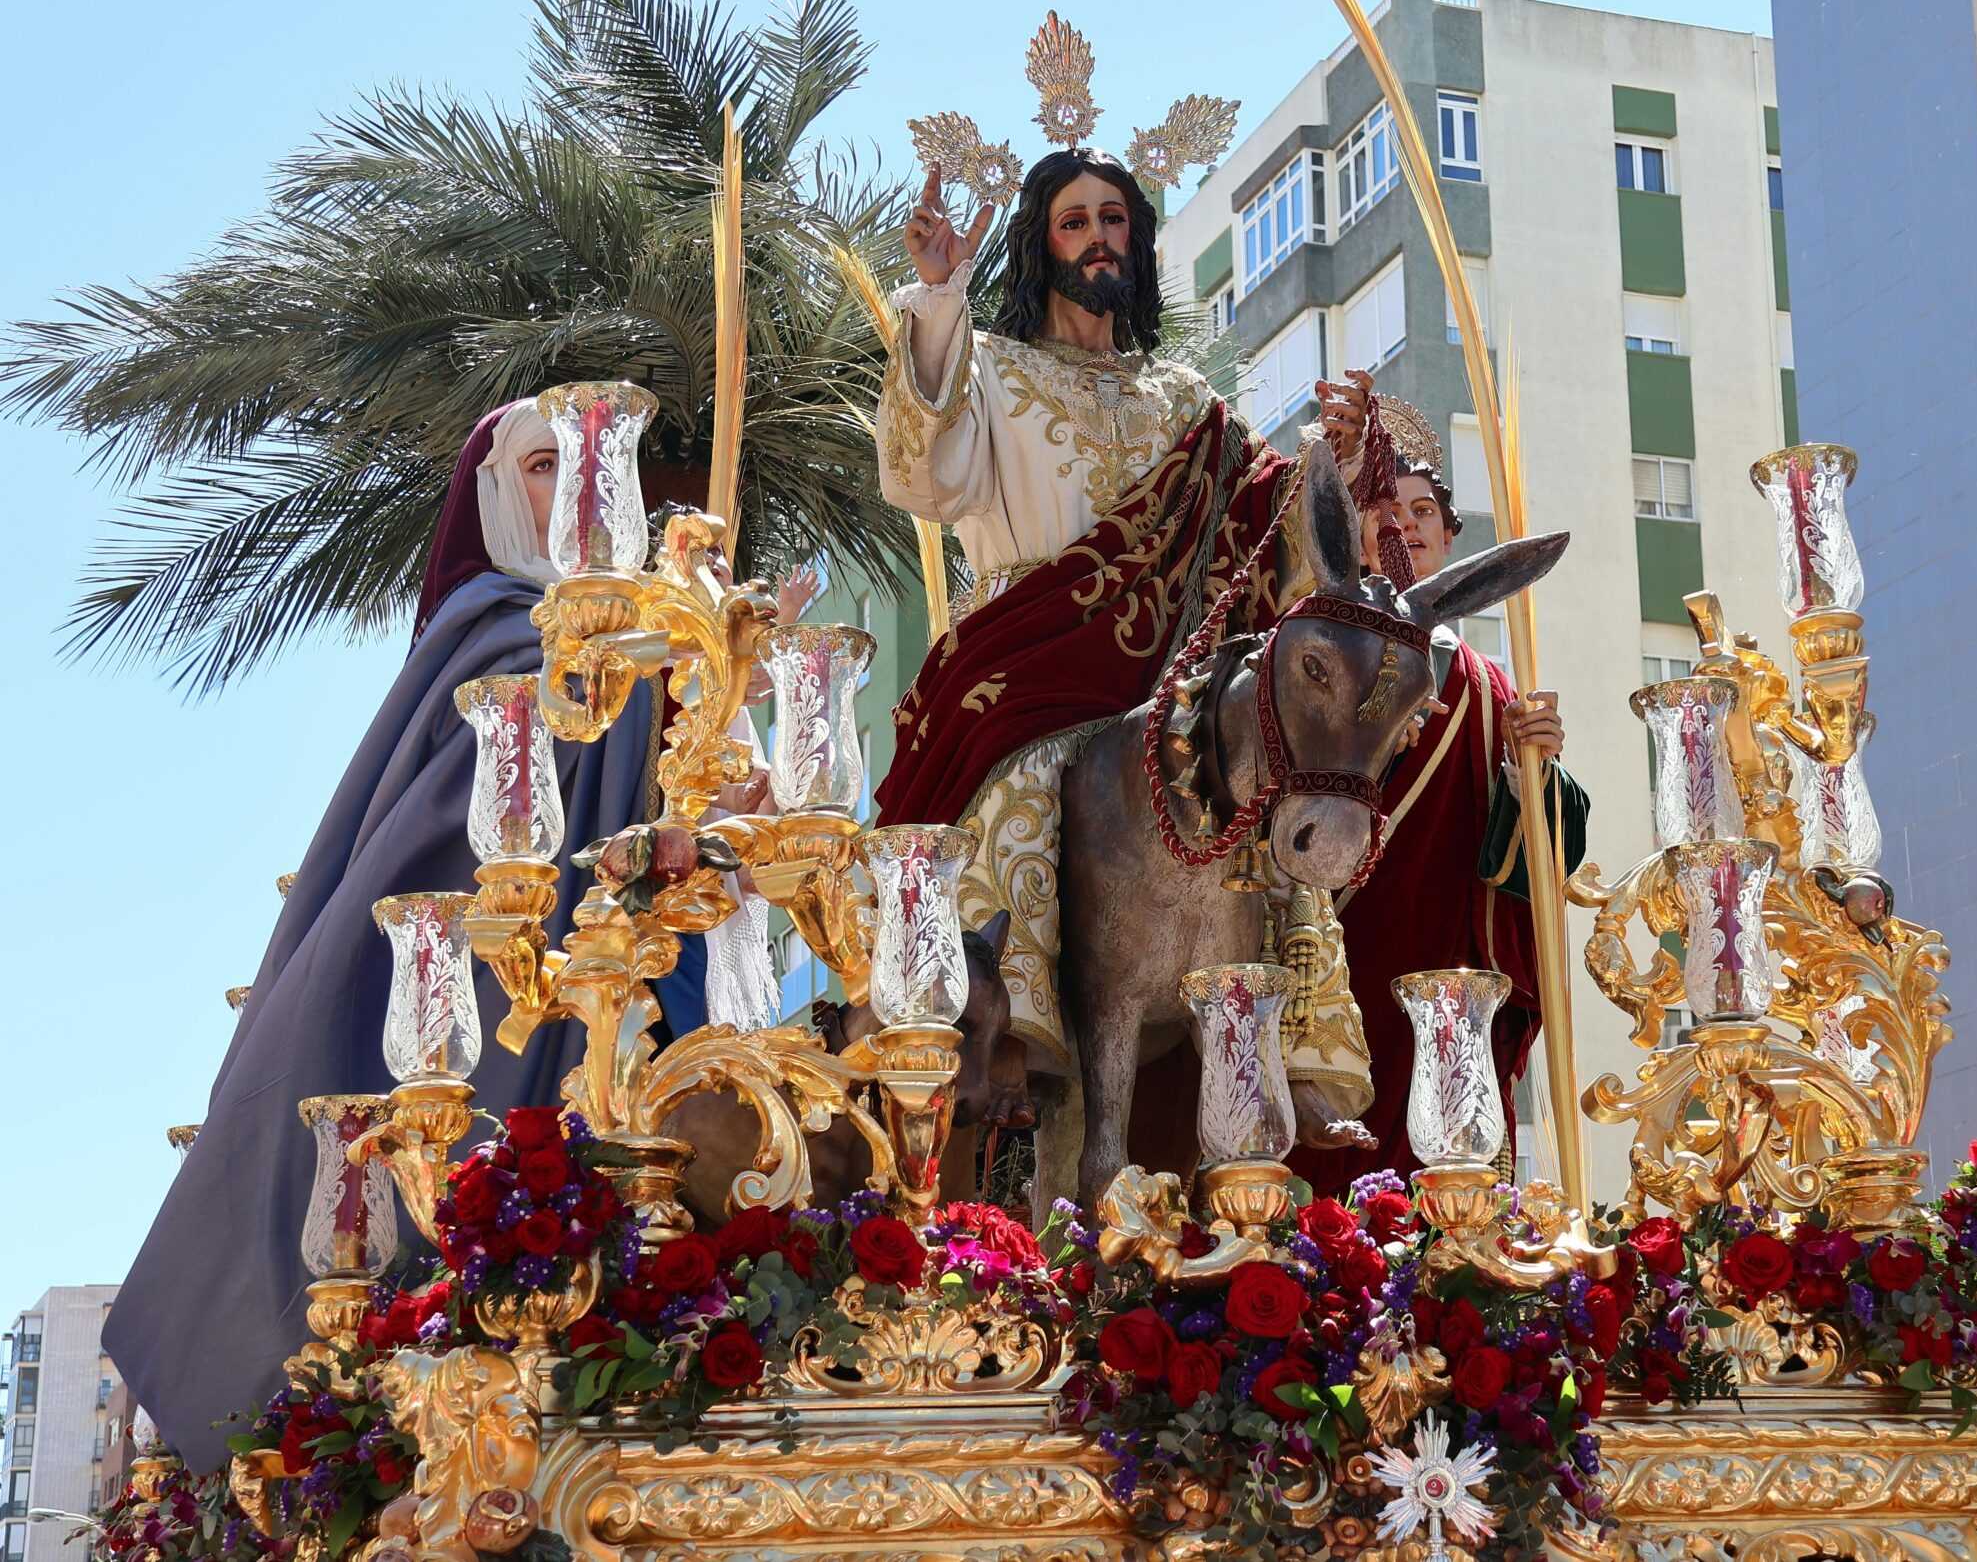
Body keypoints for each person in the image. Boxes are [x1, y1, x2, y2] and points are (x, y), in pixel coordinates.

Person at [108, 399, 793, 1467]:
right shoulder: (488, 627)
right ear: (490, 500)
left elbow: (711, 809)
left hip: (654, 976)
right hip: (508, 987)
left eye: (587, 467)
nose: (568, 489)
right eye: (538, 466)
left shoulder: (662, 641)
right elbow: (456, 824)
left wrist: (724, 734)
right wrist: (645, 702)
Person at [871, 148, 1305, 1078]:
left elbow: (1265, 529)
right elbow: (923, 475)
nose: (1099, 238)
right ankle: (1006, 1024)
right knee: (1026, 797)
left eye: (1114, 220)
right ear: (1043, 244)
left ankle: (1288, 1037)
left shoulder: (1186, 400)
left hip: (1169, 682)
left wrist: (1340, 466)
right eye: (1076, 221)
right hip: (1035, 665)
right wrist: (939, 299)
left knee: (1265, 804)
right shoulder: (995, 370)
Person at [1291, 389, 1590, 1194]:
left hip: (1442, 988)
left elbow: (1537, 863)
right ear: (1353, 533)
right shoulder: (1316, 656)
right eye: (1384, 507)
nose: (1406, 524)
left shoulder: (1493, 689)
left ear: (1451, 539)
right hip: (1335, 965)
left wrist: (1539, 775)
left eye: (1424, 510)